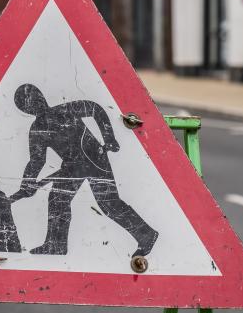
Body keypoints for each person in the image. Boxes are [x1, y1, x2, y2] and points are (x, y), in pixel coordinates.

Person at [10, 83, 158, 257]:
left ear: (41, 96)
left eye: (36, 97)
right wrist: (26, 185)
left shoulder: (66, 109)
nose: (35, 103)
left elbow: (95, 109)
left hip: (94, 157)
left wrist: (109, 138)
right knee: (58, 199)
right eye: (29, 103)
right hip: (72, 165)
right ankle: (56, 245)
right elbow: (36, 161)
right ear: (26, 110)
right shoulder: (37, 130)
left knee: (109, 203)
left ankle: (147, 235)